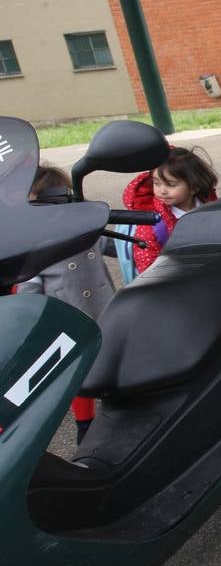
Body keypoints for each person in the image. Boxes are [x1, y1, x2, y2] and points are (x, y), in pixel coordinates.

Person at [20, 164, 117, 443]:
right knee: (77, 373)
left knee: (110, 358)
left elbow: (108, 246)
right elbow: (30, 285)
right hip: (67, 316)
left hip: (104, 307)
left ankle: (118, 404)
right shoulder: (35, 244)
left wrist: (135, 246)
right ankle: (85, 423)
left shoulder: (83, 230)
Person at [122, 146, 218, 274]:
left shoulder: (212, 206)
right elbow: (148, 267)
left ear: (194, 187)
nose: (162, 191)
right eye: (156, 183)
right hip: (176, 281)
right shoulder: (153, 225)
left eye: (171, 184)